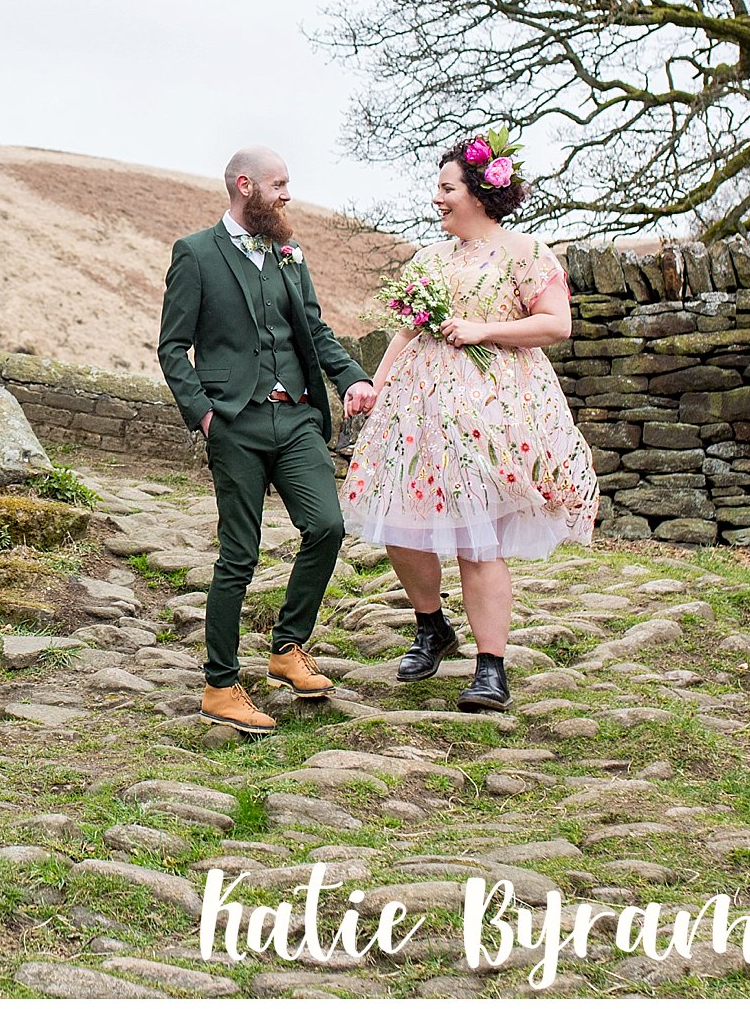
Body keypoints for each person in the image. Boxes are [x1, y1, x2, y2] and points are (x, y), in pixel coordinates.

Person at [340, 135, 597, 711]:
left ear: (479, 192)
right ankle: (431, 625)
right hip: (418, 416)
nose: (437, 198)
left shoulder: (527, 253)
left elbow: (557, 325)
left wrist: (483, 330)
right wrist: (376, 387)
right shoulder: (429, 259)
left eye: (446, 187)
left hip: (496, 414)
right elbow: (408, 330)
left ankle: (490, 667)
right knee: (399, 526)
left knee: (479, 541)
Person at [157, 147, 378, 736]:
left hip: (297, 417)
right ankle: (220, 684)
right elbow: (173, 347)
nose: (287, 195)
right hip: (235, 422)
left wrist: (352, 374)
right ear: (245, 185)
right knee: (240, 556)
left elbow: (313, 328)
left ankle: (287, 648)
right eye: (279, 184)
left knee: (327, 526)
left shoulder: (288, 253)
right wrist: (203, 414)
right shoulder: (195, 254)